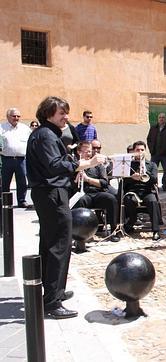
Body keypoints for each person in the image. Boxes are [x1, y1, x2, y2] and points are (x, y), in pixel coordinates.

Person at [27, 96, 106, 319]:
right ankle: (52, 301)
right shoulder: (45, 135)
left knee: (51, 242)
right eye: (62, 113)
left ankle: (53, 291)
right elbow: (54, 166)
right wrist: (87, 164)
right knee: (59, 245)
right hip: (51, 194)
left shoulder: (48, 134)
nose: (66, 117)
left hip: (49, 194)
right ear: (48, 114)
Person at [70, 141, 120, 242]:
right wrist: (76, 179)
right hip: (84, 193)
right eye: (85, 151)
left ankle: (114, 231)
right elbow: (70, 184)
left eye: (89, 151)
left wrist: (87, 179)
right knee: (80, 201)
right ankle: (79, 233)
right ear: (79, 152)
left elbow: (104, 183)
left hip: (97, 193)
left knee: (110, 199)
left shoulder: (98, 165)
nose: (88, 154)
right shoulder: (74, 165)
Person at [122, 141, 162, 241]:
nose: (140, 152)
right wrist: (132, 177)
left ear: (145, 151)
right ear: (133, 151)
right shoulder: (128, 164)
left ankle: (156, 231)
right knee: (129, 200)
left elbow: (154, 180)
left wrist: (145, 170)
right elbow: (123, 181)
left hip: (146, 191)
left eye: (142, 150)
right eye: (137, 150)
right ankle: (131, 221)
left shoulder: (151, 165)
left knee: (153, 201)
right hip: (132, 191)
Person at [1, 108, 31, 208]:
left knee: (22, 181)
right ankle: (3, 201)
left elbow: (31, 141)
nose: (16, 118)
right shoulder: (1, 128)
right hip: (6, 159)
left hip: (21, 160)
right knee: (5, 181)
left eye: (18, 116)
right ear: (8, 117)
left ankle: (22, 201)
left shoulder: (25, 128)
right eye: (14, 116)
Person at [146, 113, 166, 191]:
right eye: (160, 117)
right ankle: (154, 185)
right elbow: (149, 139)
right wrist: (151, 149)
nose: (161, 119)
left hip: (165, 154)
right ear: (158, 119)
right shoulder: (153, 128)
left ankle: (165, 185)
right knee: (152, 170)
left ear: (165, 119)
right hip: (155, 154)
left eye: (163, 117)